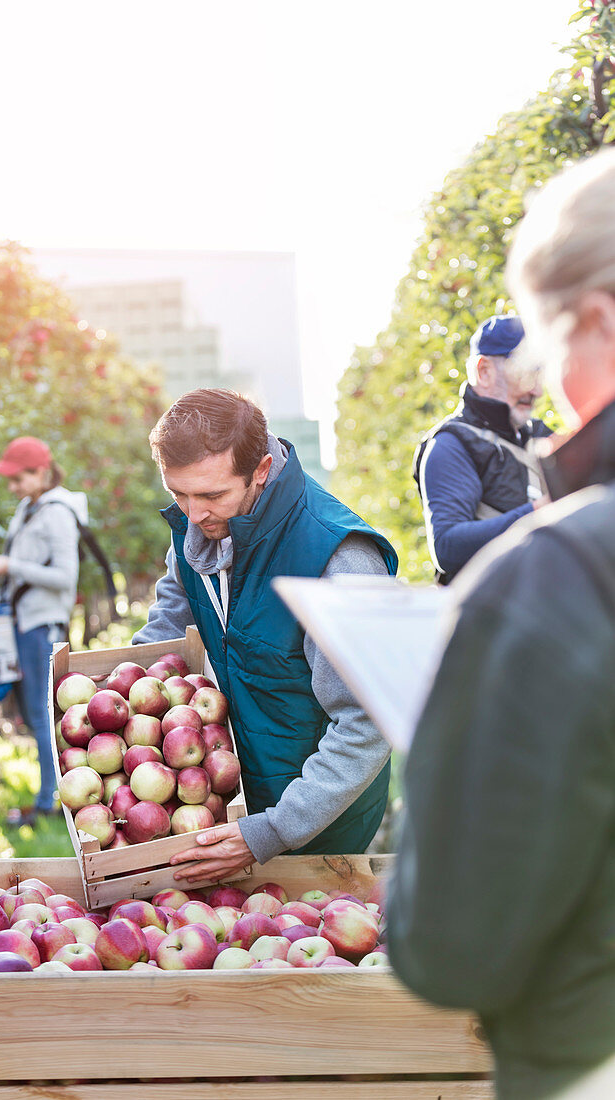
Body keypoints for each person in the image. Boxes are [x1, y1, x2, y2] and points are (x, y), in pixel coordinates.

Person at [387, 151, 615, 1100]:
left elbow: (449, 948)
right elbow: (448, 536)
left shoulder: (566, 575)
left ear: (594, 321)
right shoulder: (458, 448)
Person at [130, 388, 398, 883]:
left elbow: (369, 721)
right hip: (226, 796)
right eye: (178, 494)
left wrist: (271, 831)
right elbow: (167, 625)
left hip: (320, 813)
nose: (193, 513)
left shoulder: (337, 562)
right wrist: (120, 701)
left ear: (261, 469)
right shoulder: (199, 528)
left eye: (212, 495)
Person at [0, 436, 85, 826]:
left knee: (43, 715)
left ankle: (49, 802)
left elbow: (65, 578)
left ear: (40, 472)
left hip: (42, 625)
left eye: (18, 478)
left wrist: (11, 567)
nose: (12, 487)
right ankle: (50, 794)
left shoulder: (57, 513)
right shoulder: (29, 507)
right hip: (22, 623)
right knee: (33, 713)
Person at [413, 314, 551, 582]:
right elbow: (447, 548)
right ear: (484, 371)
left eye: (541, 372)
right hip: (490, 617)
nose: (536, 390)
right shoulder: (451, 445)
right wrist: (540, 512)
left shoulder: (540, 435)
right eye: (525, 371)